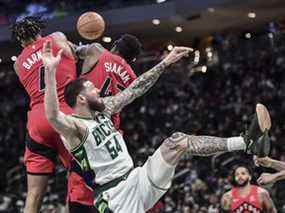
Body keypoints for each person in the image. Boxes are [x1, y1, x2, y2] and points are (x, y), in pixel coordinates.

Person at [42, 40, 271, 213]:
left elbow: (136, 89)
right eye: (92, 89)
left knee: (177, 141)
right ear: (81, 99)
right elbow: (52, 116)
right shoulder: (74, 128)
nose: (97, 90)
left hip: (136, 177)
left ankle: (246, 142)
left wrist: (165, 62)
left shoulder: (105, 108)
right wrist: (51, 72)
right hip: (115, 196)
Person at [67, 35, 141, 212]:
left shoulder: (97, 51)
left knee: (79, 192)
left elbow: (74, 51)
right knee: (109, 195)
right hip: (111, 133)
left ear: (115, 44)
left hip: (86, 126)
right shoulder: (133, 78)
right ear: (133, 59)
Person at [11, 16, 77, 213]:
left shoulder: (18, 64)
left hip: (39, 121)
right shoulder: (56, 38)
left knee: (33, 195)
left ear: (21, 41)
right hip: (66, 115)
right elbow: (75, 54)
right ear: (40, 30)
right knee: (76, 184)